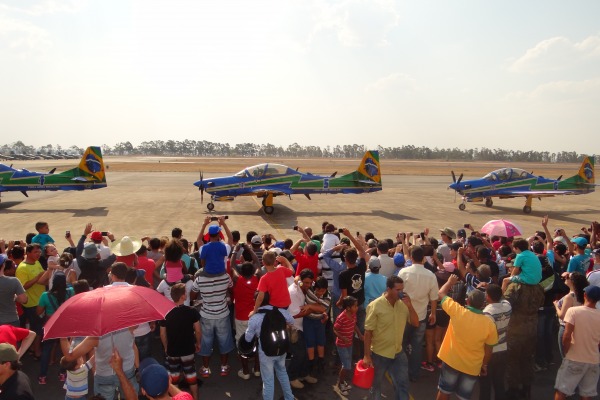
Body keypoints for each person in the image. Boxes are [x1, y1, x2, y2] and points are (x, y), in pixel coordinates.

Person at [436, 274, 498, 400]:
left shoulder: (457, 311)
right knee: (463, 397)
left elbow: (441, 293)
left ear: (467, 301)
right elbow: (488, 350)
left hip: (451, 360)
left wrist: (449, 282)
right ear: (483, 304)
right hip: (472, 366)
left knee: (444, 391)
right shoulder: (489, 324)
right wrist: (484, 365)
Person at [363, 275, 419, 400]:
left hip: (398, 353)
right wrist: (367, 355)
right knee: (375, 386)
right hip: (379, 354)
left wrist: (410, 306)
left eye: (402, 290)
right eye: (397, 290)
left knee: (402, 385)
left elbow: (416, 323)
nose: (401, 293)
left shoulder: (404, 304)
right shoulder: (375, 306)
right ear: (388, 289)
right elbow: (368, 332)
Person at [190, 249, 235, 378]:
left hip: (206, 315)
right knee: (224, 340)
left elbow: (192, 295)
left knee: (206, 341)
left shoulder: (200, 279)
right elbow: (231, 290)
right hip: (223, 313)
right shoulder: (226, 276)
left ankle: (205, 369)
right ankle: (224, 367)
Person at [244, 292, 295, 400]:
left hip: (265, 352)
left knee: (268, 381)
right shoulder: (281, 311)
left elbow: (248, 338)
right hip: (281, 348)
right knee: (282, 372)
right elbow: (292, 321)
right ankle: (289, 397)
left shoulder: (255, 318)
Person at [398, 244, 438, 382]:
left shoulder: (404, 272)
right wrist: (433, 313)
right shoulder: (431, 275)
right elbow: (434, 297)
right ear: (423, 258)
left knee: (401, 344)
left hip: (404, 315)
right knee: (417, 346)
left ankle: (400, 372)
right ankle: (414, 374)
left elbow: (398, 293)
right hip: (421, 316)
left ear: (411, 257)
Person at [554, 285, 600, 400]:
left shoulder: (574, 311)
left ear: (585, 295)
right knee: (586, 394)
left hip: (574, 358)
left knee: (562, 391)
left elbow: (567, 335)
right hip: (593, 360)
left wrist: (566, 352)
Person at [159, 283, 201, 400]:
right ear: (183, 296)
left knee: (174, 378)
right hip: (188, 349)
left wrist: (166, 347)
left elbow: (162, 333)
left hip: (172, 350)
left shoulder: (166, 313)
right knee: (191, 378)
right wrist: (198, 343)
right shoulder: (191, 311)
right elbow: (198, 331)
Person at [37, 273, 75, 384]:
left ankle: (42, 376)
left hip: (51, 324)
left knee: (46, 350)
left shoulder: (45, 295)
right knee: (66, 350)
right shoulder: (70, 292)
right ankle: (62, 373)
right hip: (65, 324)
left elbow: (38, 312)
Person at [16, 243, 49, 360]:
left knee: (38, 327)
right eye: (35, 252)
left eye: (39, 252)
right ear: (28, 253)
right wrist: (37, 278)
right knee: (37, 329)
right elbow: (23, 286)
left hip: (41, 301)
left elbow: (42, 278)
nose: (38, 254)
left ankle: (33, 349)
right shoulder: (22, 268)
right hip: (31, 303)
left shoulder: (37, 262)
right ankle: (37, 352)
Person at [287, 269, 319, 389]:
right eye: (306, 283)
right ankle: (292, 377)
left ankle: (303, 374)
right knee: (299, 353)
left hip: (303, 325)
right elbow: (295, 314)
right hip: (293, 327)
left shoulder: (304, 285)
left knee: (306, 350)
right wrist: (313, 309)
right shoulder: (293, 293)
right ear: (300, 280)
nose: (309, 285)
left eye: (310, 283)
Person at [480, 284, 512, 400]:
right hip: (503, 348)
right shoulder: (507, 306)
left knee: (485, 385)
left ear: (487, 296)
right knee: (499, 383)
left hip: (489, 352)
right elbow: (503, 298)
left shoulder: (487, 313)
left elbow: (485, 336)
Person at [232, 261, 260, 379]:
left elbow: (232, 266)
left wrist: (235, 250)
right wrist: (250, 250)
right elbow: (258, 264)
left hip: (241, 318)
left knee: (242, 344)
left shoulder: (238, 280)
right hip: (255, 316)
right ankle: (257, 369)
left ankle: (245, 372)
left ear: (241, 272)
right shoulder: (256, 280)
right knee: (257, 342)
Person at [554, 272, 588, 358]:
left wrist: (556, 306)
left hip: (566, 327)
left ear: (573, 282)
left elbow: (563, 315)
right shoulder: (583, 295)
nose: (565, 278)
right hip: (579, 327)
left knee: (566, 356)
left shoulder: (569, 297)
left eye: (568, 277)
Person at [333, 295, 362, 396]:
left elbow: (354, 325)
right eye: (355, 306)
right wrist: (342, 338)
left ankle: (342, 381)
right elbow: (335, 329)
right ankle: (340, 384)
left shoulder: (353, 314)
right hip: (342, 345)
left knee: (347, 364)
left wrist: (359, 334)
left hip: (349, 343)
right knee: (346, 365)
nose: (357, 308)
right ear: (348, 308)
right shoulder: (341, 317)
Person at [0, 254, 28, 327]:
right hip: (10, 320)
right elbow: (24, 300)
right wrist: (15, 297)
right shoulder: (13, 281)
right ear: (3, 266)